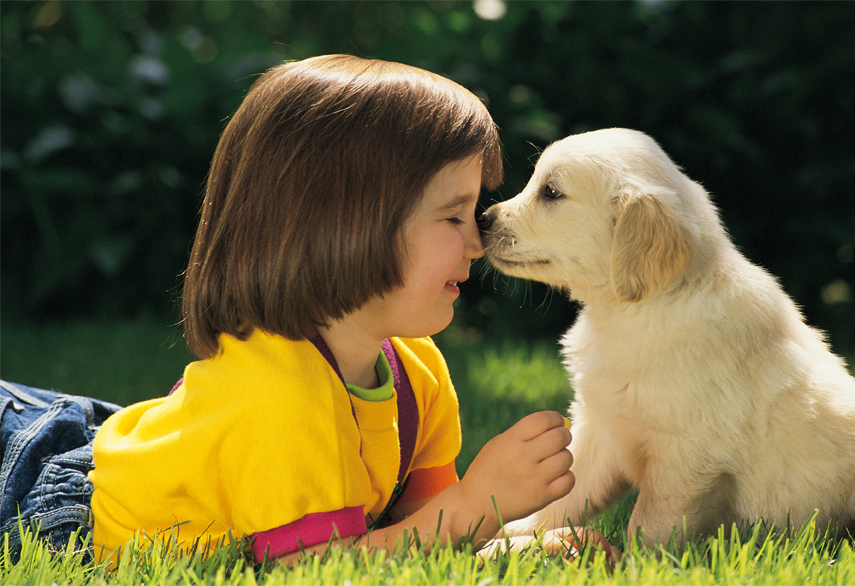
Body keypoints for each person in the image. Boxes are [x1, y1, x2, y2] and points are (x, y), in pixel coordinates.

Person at [1, 55, 613, 566]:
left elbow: (421, 539)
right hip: (52, 501)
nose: (477, 244)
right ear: (346, 227)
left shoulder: (415, 373)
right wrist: (479, 503)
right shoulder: (278, 394)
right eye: (453, 216)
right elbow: (320, 570)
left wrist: (514, 544)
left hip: (115, 441)